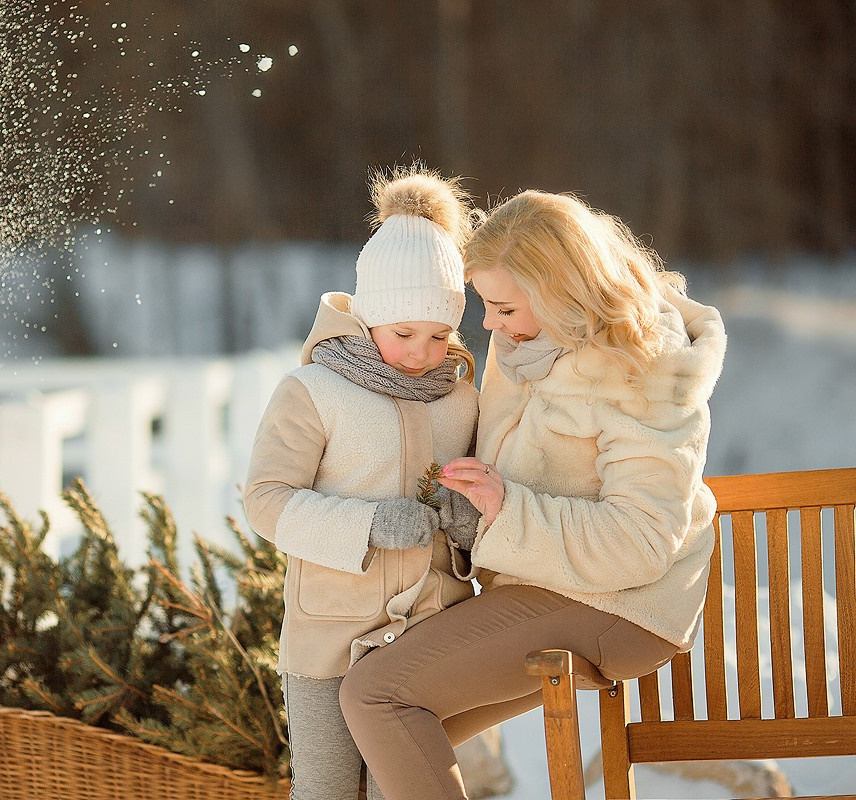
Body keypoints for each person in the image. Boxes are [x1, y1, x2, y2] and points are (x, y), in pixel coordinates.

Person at [338, 189, 727, 800]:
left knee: (375, 695)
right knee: (374, 753)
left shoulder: (644, 368)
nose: (487, 324)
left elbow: (643, 542)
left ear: (562, 294)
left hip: (621, 603)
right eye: (485, 305)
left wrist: (507, 510)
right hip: (541, 586)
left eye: (502, 307)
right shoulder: (527, 343)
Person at [244, 166, 484, 800]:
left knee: (402, 787)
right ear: (370, 314)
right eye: (403, 333)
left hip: (428, 633)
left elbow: (474, 492)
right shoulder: (313, 391)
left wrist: (467, 520)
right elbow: (266, 501)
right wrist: (369, 524)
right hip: (330, 637)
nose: (421, 352)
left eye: (439, 335)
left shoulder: (460, 400)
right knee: (326, 789)